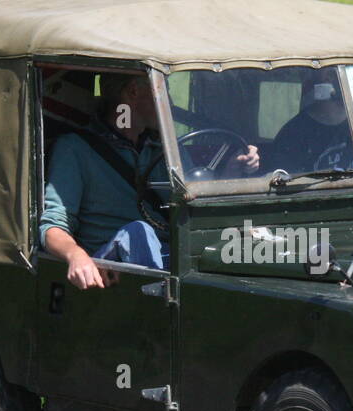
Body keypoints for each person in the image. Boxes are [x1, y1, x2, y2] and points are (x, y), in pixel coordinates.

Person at [40, 73, 258, 289]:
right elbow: (53, 226)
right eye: (164, 92)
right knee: (138, 232)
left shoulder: (167, 148)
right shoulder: (75, 149)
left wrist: (233, 170)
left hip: (169, 255)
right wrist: (75, 255)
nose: (170, 104)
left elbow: (191, 202)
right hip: (111, 267)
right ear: (133, 92)